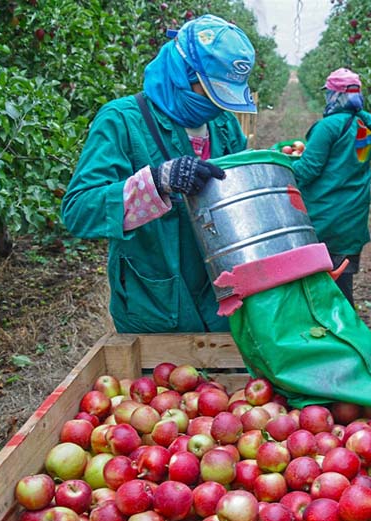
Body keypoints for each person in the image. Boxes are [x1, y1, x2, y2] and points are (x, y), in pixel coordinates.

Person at [61, 14, 256, 333]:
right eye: (211, 90)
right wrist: (157, 182)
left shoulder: (223, 125)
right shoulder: (121, 121)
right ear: (183, 72)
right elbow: (79, 211)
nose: (216, 104)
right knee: (162, 384)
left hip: (222, 301)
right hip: (155, 304)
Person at [291, 68, 371, 308]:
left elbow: (308, 170)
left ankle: (334, 334)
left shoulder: (328, 127)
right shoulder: (369, 124)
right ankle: (346, 330)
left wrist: (285, 167)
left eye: (329, 93)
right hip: (353, 217)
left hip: (326, 217)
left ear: (335, 95)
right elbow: (351, 160)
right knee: (342, 283)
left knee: (321, 286)